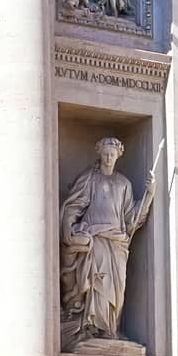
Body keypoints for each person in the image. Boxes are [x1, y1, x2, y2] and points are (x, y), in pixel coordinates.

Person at [60, 136, 155, 345]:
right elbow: (74, 206)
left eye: (112, 154)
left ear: (118, 156)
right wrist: (70, 228)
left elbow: (131, 218)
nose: (108, 157)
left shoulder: (124, 184)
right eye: (105, 153)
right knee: (97, 283)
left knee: (116, 289)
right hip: (96, 238)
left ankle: (110, 328)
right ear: (99, 154)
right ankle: (93, 327)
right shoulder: (89, 179)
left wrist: (148, 196)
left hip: (117, 242)